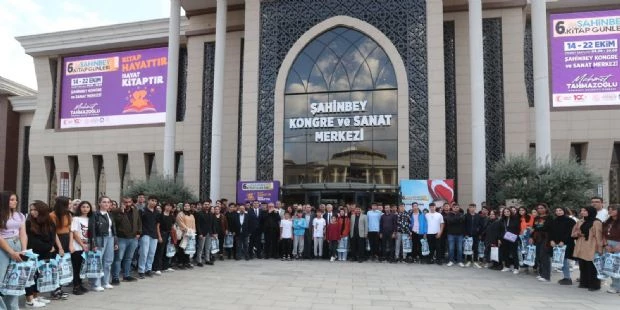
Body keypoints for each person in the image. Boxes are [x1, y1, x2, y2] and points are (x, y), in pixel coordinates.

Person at [25, 201, 65, 307]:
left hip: (46, 252)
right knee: (32, 276)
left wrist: (51, 246)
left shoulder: (49, 221)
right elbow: (32, 241)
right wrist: (49, 247)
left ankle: (36, 296)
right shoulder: (29, 222)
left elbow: (53, 235)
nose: (33, 212)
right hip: (34, 253)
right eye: (31, 210)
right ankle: (30, 299)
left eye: (35, 210)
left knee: (40, 275)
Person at [0, 192, 27, 309]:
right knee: (1, 278)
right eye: (11, 200)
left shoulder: (20, 215)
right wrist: (11, 251)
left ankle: (13, 307)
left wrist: (24, 250)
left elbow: (23, 233)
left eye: (15, 200)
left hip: (18, 245)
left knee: (14, 279)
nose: (15, 202)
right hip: (4, 245)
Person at [110, 196, 141, 284]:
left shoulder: (135, 211)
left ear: (131, 202)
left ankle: (126, 275)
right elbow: (116, 222)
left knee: (129, 258)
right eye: (125, 202)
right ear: (122, 203)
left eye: (129, 202)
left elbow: (139, 222)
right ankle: (115, 277)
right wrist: (122, 212)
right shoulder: (116, 211)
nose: (127, 204)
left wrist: (139, 232)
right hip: (121, 238)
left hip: (133, 238)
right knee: (118, 258)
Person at [89, 196, 117, 291]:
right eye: (104, 202)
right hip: (99, 237)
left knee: (108, 261)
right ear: (99, 203)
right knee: (98, 261)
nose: (106, 204)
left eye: (108, 202)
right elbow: (92, 229)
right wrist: (94, 243)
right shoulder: (95, 214)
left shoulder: (110, 214)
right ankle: (96, 284)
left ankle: (105, 282)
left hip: (110, 237)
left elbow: (113, 229)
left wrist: (115, 241)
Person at [572, 206, 604, 291]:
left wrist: (600, 249)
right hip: (581, 245)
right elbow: (573, 233)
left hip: (591, 245)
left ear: (591, 212)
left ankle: (594, 285)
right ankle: (584, 283)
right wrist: (577, 234)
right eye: (581, 210)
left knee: (592, 266)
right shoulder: (580, 221)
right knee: (582, 265)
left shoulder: (596, 222)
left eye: (585, 211)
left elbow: (599, 236)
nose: (582, 212)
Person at [548, 207, 576, 285]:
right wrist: (551, 240)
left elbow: (570, 232)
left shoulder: (570, 221)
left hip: (566, 243)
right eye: (556, 210)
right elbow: (551, 232)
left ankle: (567, 278)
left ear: (564, 211)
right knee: (560, 260)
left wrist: (563, 241)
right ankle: (565, 277)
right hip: (556, 244)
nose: (558, 212)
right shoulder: (554, 221)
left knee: (564, 260)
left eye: (560, 210)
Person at [69, 201, 92, 295]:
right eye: (83, 207)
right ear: (79, 208)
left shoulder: (90, 219)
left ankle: (80, 284)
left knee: (83, 267)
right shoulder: (76, 219)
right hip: (78, 246)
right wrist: (82, 245)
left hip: (87, 245)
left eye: (87, 207)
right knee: (76, 267)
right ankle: (76, 287)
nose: (85, 209)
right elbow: (74, 233)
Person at [530, 203, 551, 282]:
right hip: (537, 238)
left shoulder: (549, 217)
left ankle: (546, 276)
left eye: (542, 208)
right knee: (538, 256)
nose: (540, 209)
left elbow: (549, 229)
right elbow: (534, 228)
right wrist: (531, 237)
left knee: (544, 256)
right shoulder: (537, 218)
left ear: (546, 209)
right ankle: (541, 273)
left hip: (545, 238)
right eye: (539, 208)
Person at [153, 202, 176, 273]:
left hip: (169, 235)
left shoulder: (172, 216)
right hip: (162, 233)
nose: (168, 207)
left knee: (167, 251)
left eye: (170, 206)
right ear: (164, 206)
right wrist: (159, 236)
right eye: (167, 205)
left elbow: (172, 226)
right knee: (160, 251)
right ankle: (157, 268)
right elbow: (157, 226)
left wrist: (173, 236)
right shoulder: (160, 215)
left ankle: (165, 266)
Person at [603, 204, 620, 294]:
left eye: (613, 209)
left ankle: (617, 286)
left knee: (618, 267)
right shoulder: (608, 221)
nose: (610, 211)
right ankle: (615, 285)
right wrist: (606, 244)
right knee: (611, 267)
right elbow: (603, 234)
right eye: (609, 209)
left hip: (618, 244)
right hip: (609, 244)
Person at [499, 208, 520, 274]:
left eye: (508, 211)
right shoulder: (502, 220)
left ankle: (516, 267)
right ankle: (507, 266)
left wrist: (513, 235)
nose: (506, 213)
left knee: (514, 253)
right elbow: (500, 230)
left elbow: (517, 229)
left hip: (513, 238)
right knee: (505, 252)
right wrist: (500, 238)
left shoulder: (515, 219)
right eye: (505, 212)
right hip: (504, 238)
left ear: (510, 212)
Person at [176, 202, 196, 270]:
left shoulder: (191, 215)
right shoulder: (180, 214)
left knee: (188, 248)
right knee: (181, 248)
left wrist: (193, 231)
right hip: (183, 234)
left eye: (188, 206)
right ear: (183, 207)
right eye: (185, 206)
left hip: (190, 234)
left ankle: (187, 262)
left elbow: (193, 224)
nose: (187, 207)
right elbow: (180, 223)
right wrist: (187, 230)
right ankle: (180, 262)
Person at [195, 202, 214, 267]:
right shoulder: (199, 213)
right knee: (201, 248)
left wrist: (213, 233)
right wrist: (199, 233)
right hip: (202, 233)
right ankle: (199, 261)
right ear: (203, 205)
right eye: (205, 204)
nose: (207, 206)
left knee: (208, 247)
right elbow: (197, 224)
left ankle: (207, 260)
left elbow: (212, 224)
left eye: (208, 205)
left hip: (209, 233)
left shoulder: (211, 214)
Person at [464, 203, 482, 268]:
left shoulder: (478, 216)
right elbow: (464, 225)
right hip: (468, 235)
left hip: (476, 235)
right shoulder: (466, 215)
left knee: (475, 248)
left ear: (475, 208)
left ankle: (475, 261)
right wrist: (465, 234)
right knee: (469, 248)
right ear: (469, 208)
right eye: (470, 207)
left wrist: (478, 231)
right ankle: (468, 261)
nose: (472, 209)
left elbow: (480, 225)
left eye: (473, 207)